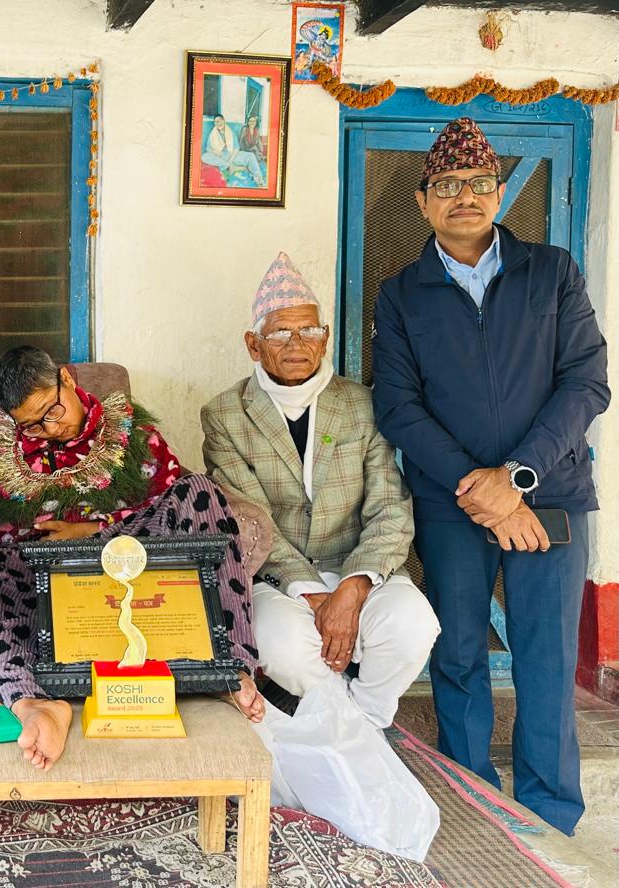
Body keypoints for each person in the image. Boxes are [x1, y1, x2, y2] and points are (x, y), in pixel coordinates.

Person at [373, 117, 609, 834]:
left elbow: (586, 383)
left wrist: (518, 478)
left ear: (501, 193)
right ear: (422, 201)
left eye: (478, 183)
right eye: (447, 185)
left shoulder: (552, 272)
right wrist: (481, 489)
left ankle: (549, 815)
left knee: (546, 658)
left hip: (552, 494)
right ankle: (472, 797)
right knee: (458, 654)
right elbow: (399, 407)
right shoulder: (402, 294)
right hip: (453, 506)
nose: (464, 197)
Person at [0, 346, 264, 772]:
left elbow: (166, 503)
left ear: (66, 379)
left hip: (130, 561)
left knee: (199, 492)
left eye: (52, 410)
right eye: (32, 425)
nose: (50, 428)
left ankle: (227, 668)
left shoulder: (132, 434)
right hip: (39, 579)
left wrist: (97, 530)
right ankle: (30, 701)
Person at [202, 252, 438, 729]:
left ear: (325, 338)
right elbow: (251, 523)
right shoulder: (225, 415)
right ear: (253, 345)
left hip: (359, 567)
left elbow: (390, 508)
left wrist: (353, 586)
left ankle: (362, 721)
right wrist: (311, 593)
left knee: (413, 625)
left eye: (309, 330)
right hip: (277, 577)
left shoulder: (363, 404)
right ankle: (350, 728)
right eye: (280, 333)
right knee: (283, 646)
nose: (297, 344)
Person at [203, 114, 266, 188]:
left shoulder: (230, 132)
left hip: (232, 154)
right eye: (216, 122)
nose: (218, 123)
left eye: (220, 120)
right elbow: (208, 148)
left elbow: (236, 147)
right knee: (204, 156)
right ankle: (233, 167)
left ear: (224, 121)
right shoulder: (213, 134)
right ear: (214, 124)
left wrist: (231, 159)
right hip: (219, 156)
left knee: (250, 156)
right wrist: (216, 152)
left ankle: (259, 180)